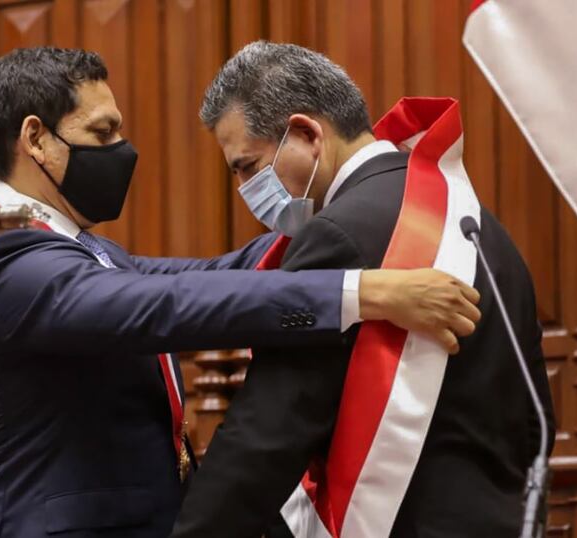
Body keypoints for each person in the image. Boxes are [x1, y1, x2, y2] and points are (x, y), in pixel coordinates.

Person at [0, 47, 480, 538]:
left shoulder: (82, 249)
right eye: (103, 131)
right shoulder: (4, 259)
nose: (121, 149)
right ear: (36, 138)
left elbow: (212, 275)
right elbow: (166, 305)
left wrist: (346, 215)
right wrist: (361, 292)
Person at [170, 41, 555, 538]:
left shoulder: (336, 235)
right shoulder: (477, 221)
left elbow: (268, 432)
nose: (246, 190)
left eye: (247, 166)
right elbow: (532, 412)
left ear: (307, 133)